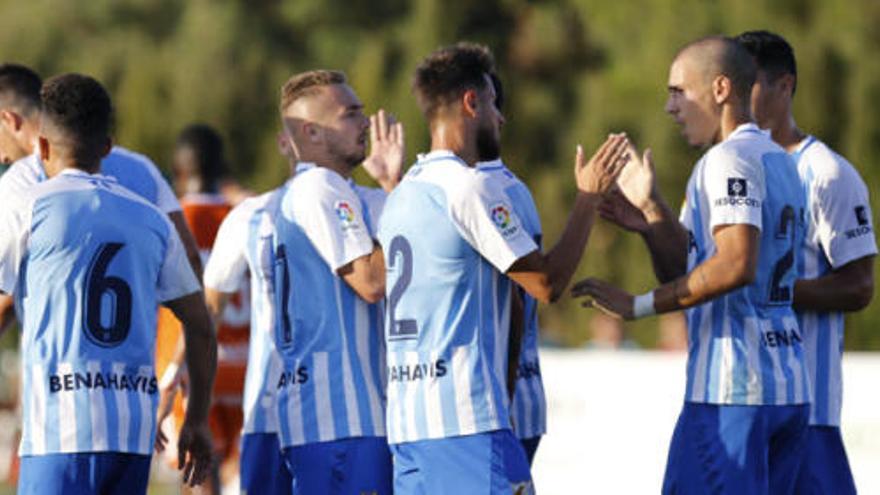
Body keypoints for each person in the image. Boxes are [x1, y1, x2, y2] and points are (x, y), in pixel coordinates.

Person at [378, 42, 629, 494]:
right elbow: (544, 285)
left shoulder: (401, 193)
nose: (500, 117)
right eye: (493, 103)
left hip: (408, 425)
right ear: (472, 102)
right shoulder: (468, 187)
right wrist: (588, 197)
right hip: (466, 424)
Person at [573, 36, 810, 494]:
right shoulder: (781, 161)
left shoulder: (726, 160)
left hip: (732, 391)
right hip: (787, 388)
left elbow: (736, 263)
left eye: (678, 91)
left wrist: (637, 306)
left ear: (721, 89)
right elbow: (688, 268)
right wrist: (652, 216)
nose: (669, 107)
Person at [0, 73, 216, 494]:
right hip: (132, 432)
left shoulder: (24, 205)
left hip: (58, 430)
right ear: (107, 147)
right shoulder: (151, 218)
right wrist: (196, 418)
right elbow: (201, 321)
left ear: (41, 146)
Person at [736, 30, 877, 494]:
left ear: (785, 86)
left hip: (808, 411)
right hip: (738, 405)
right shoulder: (725, 170)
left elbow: (859, 286)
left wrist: (771, 289)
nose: (736, 96)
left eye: (749, 83)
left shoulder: (828, 174)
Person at [272, 69, 404, 494]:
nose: (366, 123)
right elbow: (371, 280)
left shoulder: (337, 189)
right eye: (351, 115)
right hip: (342, 415)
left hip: (335, 418)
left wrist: (390, 183)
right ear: (311, 132)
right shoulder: (320, 186)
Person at [0, 63, 202, 335]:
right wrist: (179, 357)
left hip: (59, 366)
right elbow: (189, 255)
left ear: (9, 120)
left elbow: (6, 296)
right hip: (135, 365)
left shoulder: (17, 184)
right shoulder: (142, 168)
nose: (1, 157)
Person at [154, 124, 249, 495]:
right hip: (243, 364)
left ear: (178, 171)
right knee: (240, 477)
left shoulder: (171, 222)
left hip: (194, 367)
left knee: (197, 479)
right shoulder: (242, 215)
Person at [476, 74, 547, 466]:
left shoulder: (483, 192)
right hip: (524, 397)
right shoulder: (515, 187)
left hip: (495, 406)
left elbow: (522, 293)